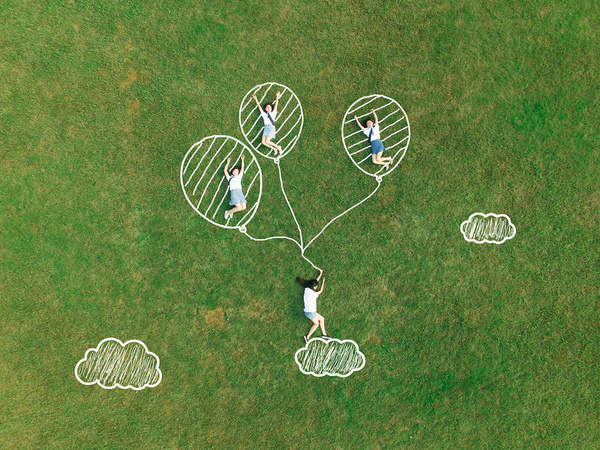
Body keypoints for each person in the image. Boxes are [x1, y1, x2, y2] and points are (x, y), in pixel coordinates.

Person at [296, 269, 330, 342]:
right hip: (310, 312)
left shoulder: (307, 289)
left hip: (310, 311)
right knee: (316, 324)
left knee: (322, 319)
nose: (316, 287)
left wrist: (320, 274)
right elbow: (321, 290)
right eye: (316, 286)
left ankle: (324, 334)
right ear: (314, 287)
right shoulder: (314, 294)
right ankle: (307, 337)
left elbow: (315, 282)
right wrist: (323, 282)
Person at [252, 91, 283, 155]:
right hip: (266, 127)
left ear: (271, 108)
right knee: (263, 142)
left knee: (267, 141)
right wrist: (256, 99)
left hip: (271, 127)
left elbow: (276, 105)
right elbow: (259, 107)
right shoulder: (264, 114)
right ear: (265, 109)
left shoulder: (273, 113)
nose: (268, 108)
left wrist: (277, 96)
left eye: (269, 107)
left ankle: (278, 147)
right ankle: (274, 148)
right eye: (267, 107)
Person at [223, 154, 246, 220]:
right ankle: (227, 213)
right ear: (232, 171)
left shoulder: (239, 177)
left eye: (237, 171)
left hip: (240, 192)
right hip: (234, 192)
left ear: (238, 172)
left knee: (243, 207)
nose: (235, 172)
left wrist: (242, 160)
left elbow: (242, 168)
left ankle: (231, 211)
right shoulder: (230, 178)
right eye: (234, 171)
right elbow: (225, 171)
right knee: (239, 207)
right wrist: (228, 162)